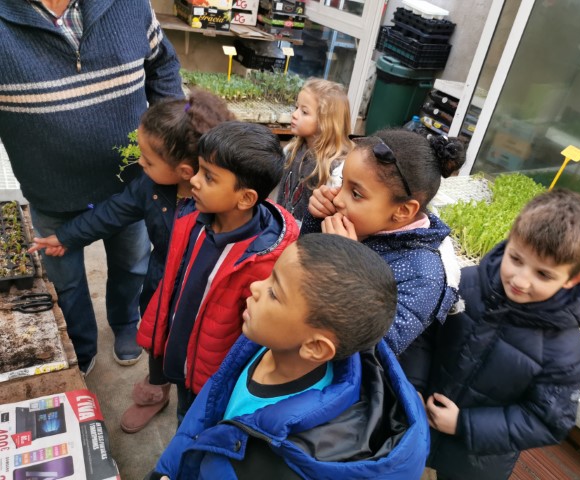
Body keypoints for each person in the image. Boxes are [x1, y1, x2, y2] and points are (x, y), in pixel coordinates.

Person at [28, 90, 235, 434]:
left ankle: (191, 418)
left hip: (203, 301)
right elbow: (112, 212)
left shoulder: (224, 206)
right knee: (157, 343)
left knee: (196, 361)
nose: (140, 163)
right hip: (160, 286)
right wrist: (66, 236)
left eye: (148, 160)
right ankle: (156, 391)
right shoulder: (150, 187)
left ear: (184, 170)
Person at [146, 233, 429, 480]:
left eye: (274, 292)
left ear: (315, 347)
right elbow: (209, 406)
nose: (256, 287)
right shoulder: (265, 342)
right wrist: (168, 468)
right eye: (270, 276)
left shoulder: (280, 462)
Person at [0, 0, 184, 375]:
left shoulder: (129, 4)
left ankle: (125, 322)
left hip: (129, 184)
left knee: (132, 265)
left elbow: (163, 65)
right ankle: (80, 343)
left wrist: (170, 141)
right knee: (64, 280)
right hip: (51, 191)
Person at [402, 189, 580, 480]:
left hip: (472, 463)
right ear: (510, 240)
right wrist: (415, 387)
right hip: (414, 428)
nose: (520, 280)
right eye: (516, 259)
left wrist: (464, 424)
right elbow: (423, 334)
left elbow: (547, 420)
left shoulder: (562, 352)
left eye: (543, 274)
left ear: (574, 279)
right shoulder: (466, 283)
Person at [136, 121, 299, 426]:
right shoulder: (192, 219)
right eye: (199, 169)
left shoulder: (264, 261)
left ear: (245, 198)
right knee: (182, 402)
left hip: (209, 372)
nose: (194, 180)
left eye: (209, 176)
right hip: (178, 347)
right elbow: (173, 283)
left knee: (192, 419)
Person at [302, 130, 465, 355]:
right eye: (342, 182)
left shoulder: (423, 276)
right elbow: (300, 270)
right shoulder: (361, 222)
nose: (337, 199)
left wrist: (347, 268)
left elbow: (376, 350)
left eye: (356, 193)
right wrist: (316, 219)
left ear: (403, 211)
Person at [276, 78, 353, 223]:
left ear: (325, 122)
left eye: (304, 112)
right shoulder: (291, 150)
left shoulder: (336, 168)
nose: (294, 114)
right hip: (281, 226)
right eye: (296, 107)